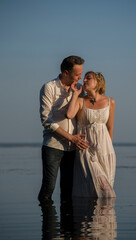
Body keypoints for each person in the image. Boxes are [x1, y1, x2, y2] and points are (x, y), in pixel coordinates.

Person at [38, 55, 89, 204]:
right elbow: (46, 120)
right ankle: (48, 225)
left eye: (81, 73)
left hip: (74, 148)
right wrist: (71, 137)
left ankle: (67, 227)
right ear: (66, 72)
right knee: (48, 188)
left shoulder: (79, 89)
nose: (81, 77)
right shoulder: (49, 87)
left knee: (69, 190)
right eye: (77, 74)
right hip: (53, 145)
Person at [67, 71, 116, 198]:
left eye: (88, 78)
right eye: (83, 78)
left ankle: (104, 217)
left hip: (105, 151)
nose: (83, 81)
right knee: (102, 189)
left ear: (98, 82)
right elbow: (69, 115)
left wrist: (108, 148)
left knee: (105, 186)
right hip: (86, 149)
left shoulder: (110, 102)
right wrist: (75, 94)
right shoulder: (80, 101)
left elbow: (110, 128)